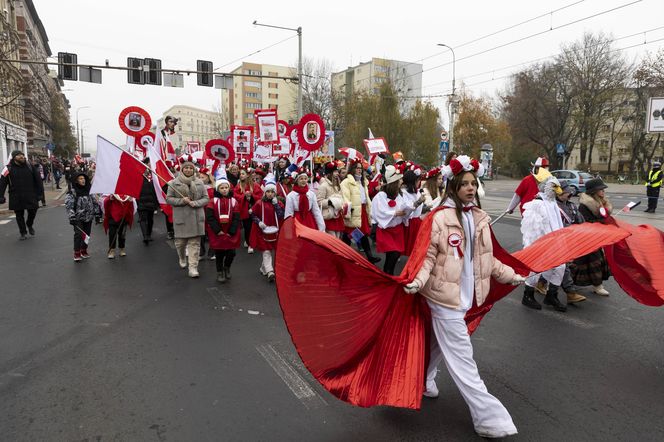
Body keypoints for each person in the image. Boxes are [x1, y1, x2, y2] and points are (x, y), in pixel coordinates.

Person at [403, 155, 525, 439]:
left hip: (466, 297)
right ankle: (489, 418)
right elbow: (427, 257)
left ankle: (422, 381)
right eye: (465, 184)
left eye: (474, 183)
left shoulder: (479, 217)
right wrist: (417, 281)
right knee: (463, 360)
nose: (471, 188)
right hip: (443, 298)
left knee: (435, 343)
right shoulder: (439, 218)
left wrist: (511, 275)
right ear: (453, 186)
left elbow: (488, 260)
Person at [520, 168, 567, 312]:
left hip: (555, 242)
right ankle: (528, 295)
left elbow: (558, 224)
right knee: (536, 269)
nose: (557, 190)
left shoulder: (553, 203)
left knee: (560, 267)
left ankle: (551, 295)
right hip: (541, 244)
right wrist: (535, 247)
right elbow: (531, 229)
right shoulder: (537, 204)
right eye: (554, 187)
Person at [166, 161, 210, 278]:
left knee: (194, 244)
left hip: (196, 217)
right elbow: (169, 199)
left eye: (191, 168)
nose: (189, 170)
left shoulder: (199, 182)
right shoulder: (173, 183)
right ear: (182, 169)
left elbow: (206, 198)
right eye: (186, 168)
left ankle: (193, 268)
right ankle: (181, 257)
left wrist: (195, 203)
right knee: (180, 243)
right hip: (181, 218)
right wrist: (182, 201)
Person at [571, 178, 612, 296]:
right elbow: (585, 222)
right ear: (594, 191)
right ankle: (597, 286)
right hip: (586, 238)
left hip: (595, 237)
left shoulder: (601, 202)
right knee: (590, 261)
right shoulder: (585, 206)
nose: (603, 191)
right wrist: (601, 222)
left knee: (591, 261)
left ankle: (596, 285)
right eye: (601, 189)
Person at [371, 165, 411, 275]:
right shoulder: (381, 196)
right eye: (399, 180)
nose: (401, 181)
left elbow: (403, 207)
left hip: (397, 230)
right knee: (392, 254)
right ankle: (387, 275)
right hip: (387, 231)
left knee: (395, 255)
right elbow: (378, 212)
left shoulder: (398, 195)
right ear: (394, 182)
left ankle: (388, 275)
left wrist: (408, 210)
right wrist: (394, 213)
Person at [340, 159, 380, 264]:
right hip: (354, 210)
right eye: (357, 168)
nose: (359, 170)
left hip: (362, 210)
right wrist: (348, 211)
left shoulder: (363, 181)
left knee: (360, 234)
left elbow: (366, 197)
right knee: (350, 233)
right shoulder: (346, 182)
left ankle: (369, 256)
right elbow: (345, 197)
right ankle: (341, 254)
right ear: (352, 169)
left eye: (360, 168)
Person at [0, 150, 44, 240]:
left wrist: (40, 194)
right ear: (14, 157)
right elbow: (2, 183)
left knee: (33, 211)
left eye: (22, 155)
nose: (22, 156)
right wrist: (1, 196)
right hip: (16, 196)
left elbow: (38, 180)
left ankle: (29, 224)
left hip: (30, 195)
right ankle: (23, 232)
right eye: (19, 155)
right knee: (19, 215)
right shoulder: (7, 168)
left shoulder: (30, 166)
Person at [555, 180, 586, 304]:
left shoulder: (572, 206)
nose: (568, 193)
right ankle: (570, 292)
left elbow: (580, 220)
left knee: (556, 266)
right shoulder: (552, 206)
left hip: (570, 240)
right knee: (562, 266)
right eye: (565, 191)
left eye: (569, 191)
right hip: (556, 240)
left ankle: (541, 282)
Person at [205, 175, 241, 283]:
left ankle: (227, 267)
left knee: (231, 253)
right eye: (222, 188)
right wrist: (217, 230)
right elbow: (210, 218)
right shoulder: (212, 201)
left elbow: (236, 217)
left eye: (226, 187)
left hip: (230, 231)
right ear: (217, 189)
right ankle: (220, 272)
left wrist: (232, 231)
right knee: (219, 253)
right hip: (218, 232)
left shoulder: (234, 201)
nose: (224, 190)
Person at [250, 178, 285, 282]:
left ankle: (263, 268)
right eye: (268, 192)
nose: (270, 194)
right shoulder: (259, 203)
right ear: (265, 192)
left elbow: (281, 215)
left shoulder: (278, 203)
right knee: (266, 251)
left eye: (272, 192)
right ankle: (270, 271)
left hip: (275, 231)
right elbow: (252, 213)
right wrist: (259, 222)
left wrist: (276, 205)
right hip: (263, 231)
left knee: (272, 251)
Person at [65, 172, 101, 261]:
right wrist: (72, 217)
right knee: (78, 234)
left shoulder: (89, 190)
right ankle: (77, 253)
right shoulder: (72, 192)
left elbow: (95, 202)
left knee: (87, 234)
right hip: (77, 218)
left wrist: (97, 214)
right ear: (76, 181)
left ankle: (84, 250)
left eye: (84, 178)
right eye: (80, 179)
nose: (83, 180)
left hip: (88, 217)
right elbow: (69, 205)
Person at [234, 165, 263, 254]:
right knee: (247, 228)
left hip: (253, 210)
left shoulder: (255, 185)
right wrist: (244, 196)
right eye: (240, 174)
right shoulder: (238, 186)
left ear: (247, 175)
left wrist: (252, 196)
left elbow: (260, 196)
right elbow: (235, 196)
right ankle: (248, 241)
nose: (241, 175)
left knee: (252, 227)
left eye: (243, 173)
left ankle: (251, 244)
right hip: (244, 210)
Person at [316, 161, 346, 239]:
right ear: (329, 173)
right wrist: (330, 202)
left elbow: (341, 197)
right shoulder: (323, 186)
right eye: (335, 172)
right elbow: (319, 201)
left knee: (338, 238)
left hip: (337, 215)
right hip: (329, 216)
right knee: (332, 239)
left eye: (337, 171)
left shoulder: (338, 185)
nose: (337, 174)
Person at [401, 166, 426, 256]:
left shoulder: (417, 191)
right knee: (411, 247)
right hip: (410, 223)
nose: (419, 182)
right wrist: (418, 203)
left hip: (418, 221)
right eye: (418, 180)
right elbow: (407, 209)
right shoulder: (404, 193)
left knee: (418, 247)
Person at [103, 194, 134, 259]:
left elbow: (131, 206)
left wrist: (130, 201)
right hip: (113, 217)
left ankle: (122, 249)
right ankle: (112, 251)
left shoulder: (127, 193)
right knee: (112, 234)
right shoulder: (111, 192)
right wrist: (109, 199)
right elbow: (105, 202)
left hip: (123, 217)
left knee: (122, 235)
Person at [137, 167, 159, 245]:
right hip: (147, 203)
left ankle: (146, 235)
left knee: (146, 220)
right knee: (147, 219)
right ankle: (147, 235)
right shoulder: (150, 181)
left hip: (144, 203)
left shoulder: (151, 180)